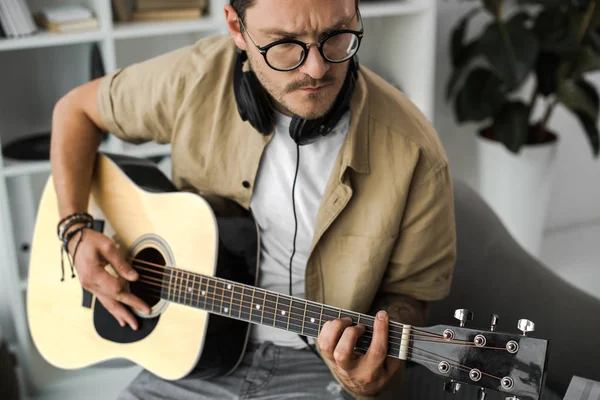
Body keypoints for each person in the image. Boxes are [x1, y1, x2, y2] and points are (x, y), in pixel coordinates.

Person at [49, 0, 456, 398]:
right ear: (235, 27)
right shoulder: (195, 76)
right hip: (185, 355)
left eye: (337, 35)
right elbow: (75, 111)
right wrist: (75, 230)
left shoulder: (415, 151)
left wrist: (373, 365)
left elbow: (411, 298)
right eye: (284, 43)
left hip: (313, 369)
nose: (317, 68)